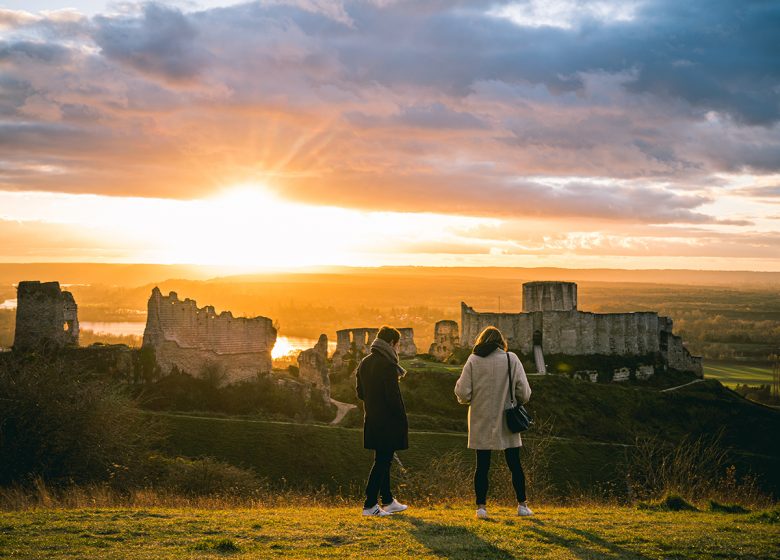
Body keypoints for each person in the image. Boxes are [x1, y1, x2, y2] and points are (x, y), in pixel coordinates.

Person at [454, 326, 533, 519]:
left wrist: (468, 401)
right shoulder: (510, 359)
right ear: (500, 342)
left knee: (482, 466)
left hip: (480, 418)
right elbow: (524, 392)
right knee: (514, 464)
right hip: (507, 418)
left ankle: (481, 508)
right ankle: (522, 505)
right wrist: (517, 401)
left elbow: (463, 392)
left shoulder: (473, 360)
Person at [355, 326, 410, 517]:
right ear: (392, 343)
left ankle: (387, 500)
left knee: (383, 460)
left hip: (372, 418)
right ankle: (370, 505)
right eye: (397, 344)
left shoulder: (364, 362)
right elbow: (393, 398)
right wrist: (402, 420)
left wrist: (374, 402)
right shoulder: (388, 365)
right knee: (382, 462)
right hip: (387, 421)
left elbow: (360, 393)